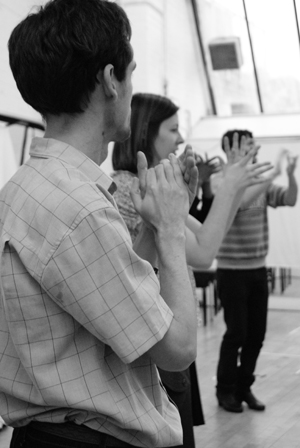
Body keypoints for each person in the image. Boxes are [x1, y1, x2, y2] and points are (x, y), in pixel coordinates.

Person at [0, 1, 201, 447]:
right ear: (111, 80)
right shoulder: (80, 210)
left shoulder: (23, 188)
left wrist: (151, 229)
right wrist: (170, 229)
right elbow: (177, 350)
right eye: (131, 72)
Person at [112, 95, 274, 442]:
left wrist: (234, 187)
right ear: (146, 134)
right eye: (173, 129)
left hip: (173, 326)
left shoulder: (156, 185)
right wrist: (230, 187)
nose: (181, 139)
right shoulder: (130, 187)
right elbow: (203, 253)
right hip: (160, 336)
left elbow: (205, 241)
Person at [213, 129, 298, 413]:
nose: (255, 149)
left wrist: (290, 176)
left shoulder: (260, 181)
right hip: (231, 270)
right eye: (249, 145)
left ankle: (243, 387)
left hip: (258, 269)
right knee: (236, 333)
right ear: (231, 148)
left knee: (256, 335)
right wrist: (271, 178)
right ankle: (224, 391)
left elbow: (289, 199)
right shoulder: (220, 181)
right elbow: (241, 203)